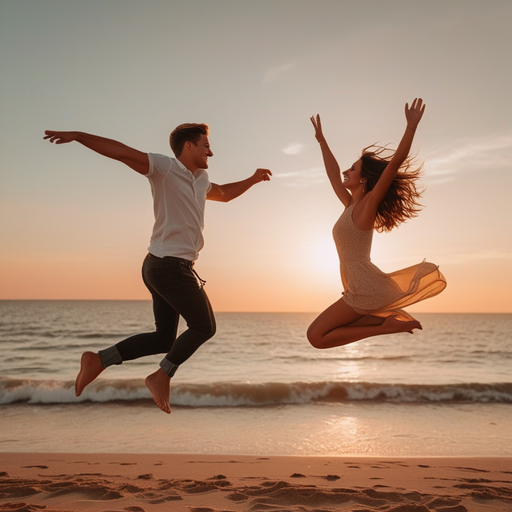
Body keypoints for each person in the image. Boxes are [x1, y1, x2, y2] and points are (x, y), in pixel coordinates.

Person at [44, 124, 271, 413]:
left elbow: (224, 193)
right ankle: (162, 374)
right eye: (205, 146)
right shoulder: (164, 168)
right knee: (204, 326)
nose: (210, 152)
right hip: (167, 266)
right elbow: (120, 152)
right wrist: (78, 136)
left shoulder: (201, 179)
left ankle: (98, 360)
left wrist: (252, 179)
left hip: (165, 267)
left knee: (165, 338)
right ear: (189, 146)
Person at [307, 98, 446, 350]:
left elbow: (394, 163)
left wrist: (411, 127)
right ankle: (384, 326)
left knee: (316, 336)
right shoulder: (350, 205)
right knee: (321, 336)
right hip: (358, 285)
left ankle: (385, 328)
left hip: (365, 285)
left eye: (352, 168)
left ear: (364, 179)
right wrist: (321, 141)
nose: (345, 172)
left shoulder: (368, 204)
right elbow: (331, 172)